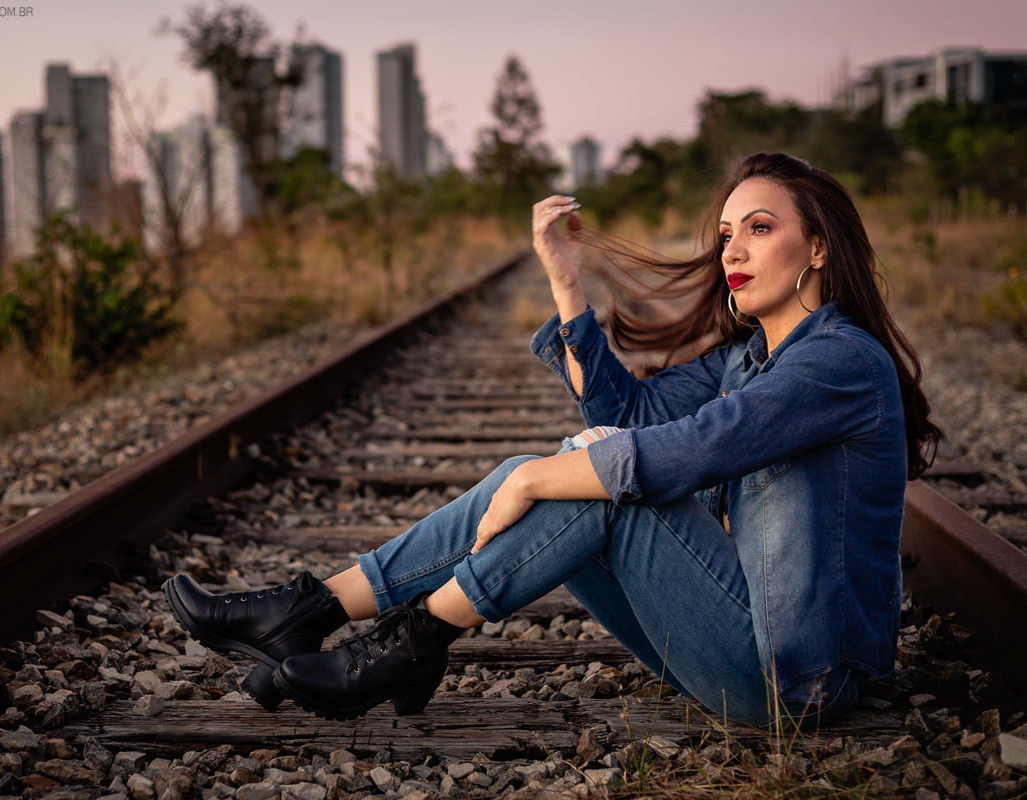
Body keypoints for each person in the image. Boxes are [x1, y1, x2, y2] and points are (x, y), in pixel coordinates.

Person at [163, 151, 939, 726]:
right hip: (744, 648)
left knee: (586, 483)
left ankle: (409, 641)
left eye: (759, 229)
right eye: (728, 232)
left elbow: (682, 455)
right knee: (571, 469)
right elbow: (632, 419)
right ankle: (317, 613)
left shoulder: (839, 362)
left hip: (800, 681)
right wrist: (568, 283)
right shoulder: (748, 358)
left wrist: (536, 478)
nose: (731, 249)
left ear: (818, 248)